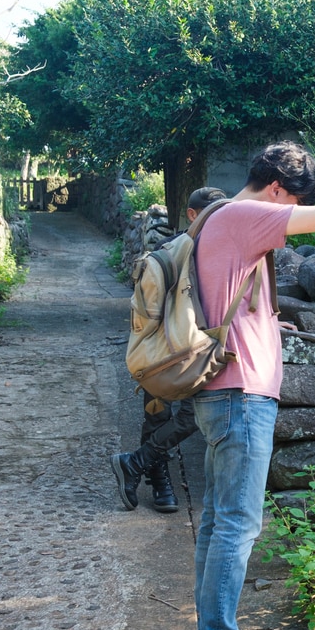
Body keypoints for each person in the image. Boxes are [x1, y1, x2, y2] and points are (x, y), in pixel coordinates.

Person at [185, 142, 315, 630]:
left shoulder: (217, 220)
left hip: (225, 392)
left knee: (219, 522)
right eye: (291, 201)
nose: (286, 213)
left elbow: (231, 305)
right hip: (241, 396)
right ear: (277, 190)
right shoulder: (243, 214)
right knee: (238, 524)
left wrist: (268, 328)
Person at [111, 187, 230, 514]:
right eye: (211, 212)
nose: (219, 219)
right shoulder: (170, 252)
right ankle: (159, 477)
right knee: (157, 414)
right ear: (193, 214)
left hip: (201, 350)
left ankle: (137, 462)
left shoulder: (220, 250)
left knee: (193, 416)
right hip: (164, 350)